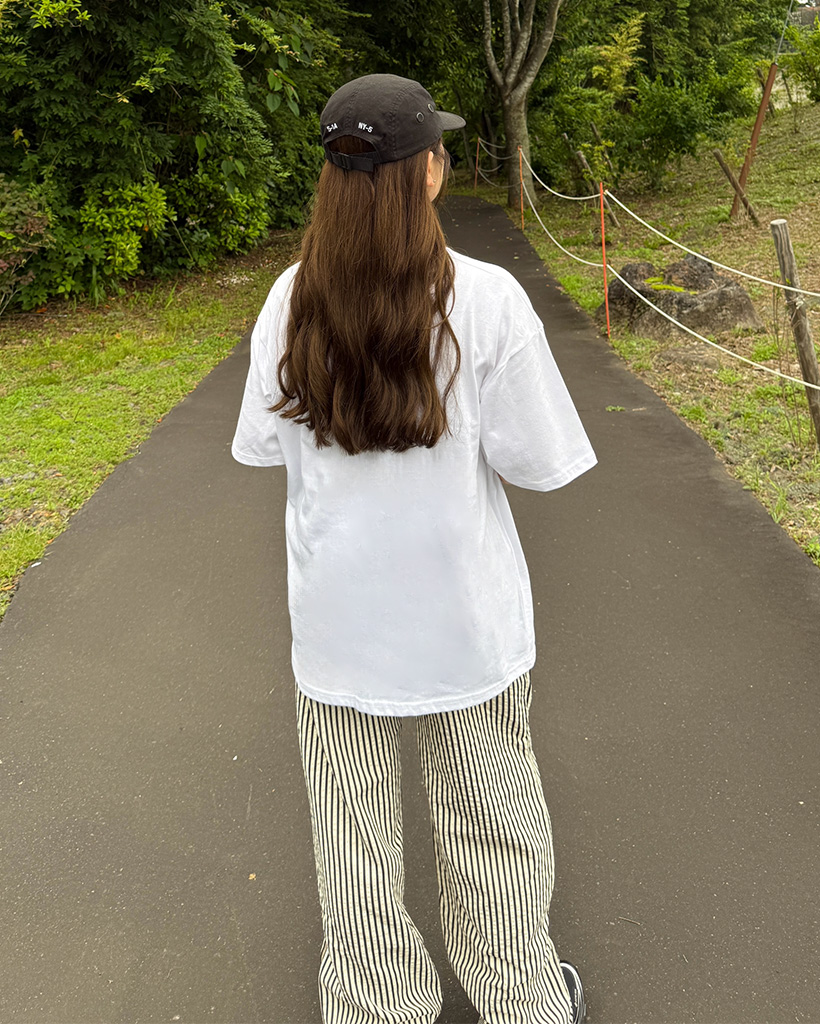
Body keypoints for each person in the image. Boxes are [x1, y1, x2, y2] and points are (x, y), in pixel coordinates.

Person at [231, 73, 595, 1024]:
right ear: (427, 172)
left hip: (337, 627)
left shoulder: (289, 300)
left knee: (351, 848)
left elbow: (262, 445)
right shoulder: (488, 300)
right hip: (467, 625)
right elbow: (539, 463)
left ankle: (376, 1006)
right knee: (493, 828)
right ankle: (521, 998)